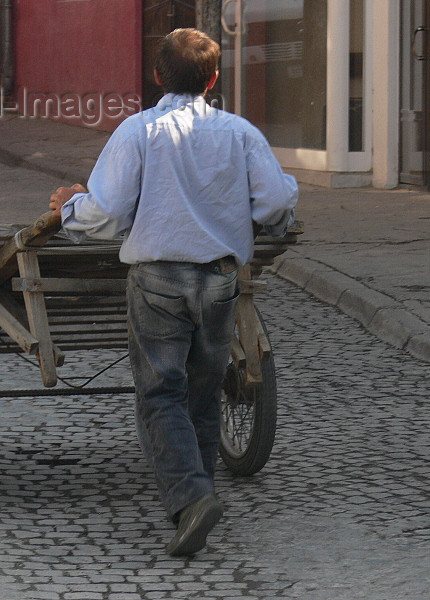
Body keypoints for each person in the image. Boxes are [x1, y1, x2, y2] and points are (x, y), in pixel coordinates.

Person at [49, 28, 298, 556]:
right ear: (212, 79)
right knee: (203, 393)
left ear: (157, 77)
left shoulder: (139, 131)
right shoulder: (240, 133)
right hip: (219, 281)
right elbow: (276, 202)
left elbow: (107, 212)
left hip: (158, 280)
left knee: (161, 392)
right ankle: (198, 496)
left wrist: (69, 205)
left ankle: (191, 499)